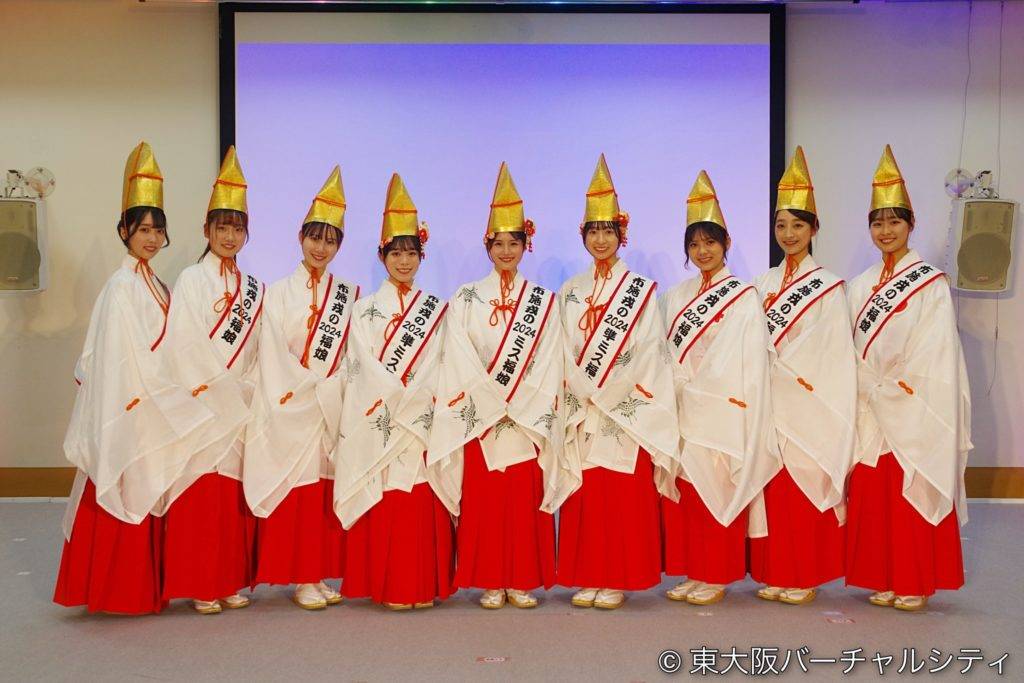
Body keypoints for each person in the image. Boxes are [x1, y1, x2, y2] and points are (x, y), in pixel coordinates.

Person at [54, 142, 213, 614]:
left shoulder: (156, 283)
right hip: (131, 406)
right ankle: (116, 591)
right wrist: (160, 392)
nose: (151, 238)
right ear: (123, 230)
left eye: (157, 229)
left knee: (150, 490)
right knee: (126, 487)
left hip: (154, 403)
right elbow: (120, 357)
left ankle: (144, 587)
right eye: (143, 229)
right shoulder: (121, 287)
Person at [429, 162, 571, 610]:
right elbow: (457, 354)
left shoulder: (543, 301)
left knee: (522, 498)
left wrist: (520, 401)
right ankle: (491, 579)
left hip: (524, 417)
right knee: (487, 500)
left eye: (514, 243)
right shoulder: (466, 298)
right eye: (499, 243)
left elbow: (549, 358)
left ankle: (522, 578)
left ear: (526, 245)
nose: (506, 251)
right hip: (483, 416)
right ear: (487, 246)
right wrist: (491, 399)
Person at [844, 145, 971, 611]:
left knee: (909, 488)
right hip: (869, 403)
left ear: (911, 224)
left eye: (894, 222)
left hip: (911, 402)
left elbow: (935, 350)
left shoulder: (930, 283)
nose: (886, 231)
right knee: (875, 493)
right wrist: (866, 384)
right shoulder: (859, 285)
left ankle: (914, 580)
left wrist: (894, 388)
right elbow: (848, 346)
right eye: (878, 223)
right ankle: (884, 576)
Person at [555, 154, 680, 610]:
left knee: (621, 494)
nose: (601, 239)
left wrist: (609, 394)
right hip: (583, 407)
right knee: (587, 494)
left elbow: (649, 351)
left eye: (608, 231)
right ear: (584, 236)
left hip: (624, 409)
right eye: (593, 231)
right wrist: (581, 391)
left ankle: (619, 578)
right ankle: (589, 574)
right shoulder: (570, 290)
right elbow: (560, 348)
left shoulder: (640, 290)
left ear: (621, 235)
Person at [659, 170, 779, 606]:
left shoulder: (743, 295)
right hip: (683, 406)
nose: (703, 251)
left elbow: (745, 357)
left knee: (719, 489)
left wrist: (704, 389)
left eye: (710, 242)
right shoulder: (675, 296)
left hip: (723, 408)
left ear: (726, 243)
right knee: (690, 492)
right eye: (694, 244)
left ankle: (717, 573)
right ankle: (695, 570)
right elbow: (664, 351)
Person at [334, 173, 453, 610]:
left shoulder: (436, 309)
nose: (404, 261)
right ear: (382, 255)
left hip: (421, 419)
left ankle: (422, 584)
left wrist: (417, 399)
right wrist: (397, 399)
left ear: (421, 256)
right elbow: (360, 366)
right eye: (396, 253)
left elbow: (444, 363)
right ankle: (390, 584)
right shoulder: (363, 310)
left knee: (419, 493)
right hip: (383, 417)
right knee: (387, 492)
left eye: (411, 253)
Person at [244, 167, 356, 609]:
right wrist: (307, 387)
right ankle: (301, 577)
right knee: (299, 491)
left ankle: (318, 572)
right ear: (300, 237)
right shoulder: (276, 293)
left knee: (322, 493)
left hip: (327, 406)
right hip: (293, 405)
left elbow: (351, 355)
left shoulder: (346, 295)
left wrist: (332, 387)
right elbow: (271, 351)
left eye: (330, 240)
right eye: (314, 237)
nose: (320, 248)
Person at [749, 147, 856, 605]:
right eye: (781, 225)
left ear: (814, 228)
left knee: (803, 485)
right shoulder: (761, 284)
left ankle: (806, 574)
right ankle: (777, 571)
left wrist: (793, 379)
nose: (789, 234)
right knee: (774, 490)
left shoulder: (829, 287)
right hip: (769, 405)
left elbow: (833, 351)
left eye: (798, 225)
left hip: (808, 403)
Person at [160, 146, 263, 614]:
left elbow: (258, 348)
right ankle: (202, 582)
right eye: (222, 227)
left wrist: (249, 388)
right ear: (206, 230)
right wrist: (216, 389)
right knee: (202, 494)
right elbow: (183, 342)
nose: (229, 236)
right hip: (203, 403)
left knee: (230, 497)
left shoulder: (252, 287)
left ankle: (227, 579)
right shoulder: (191, 279)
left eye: (237, 228)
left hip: (239, 403)